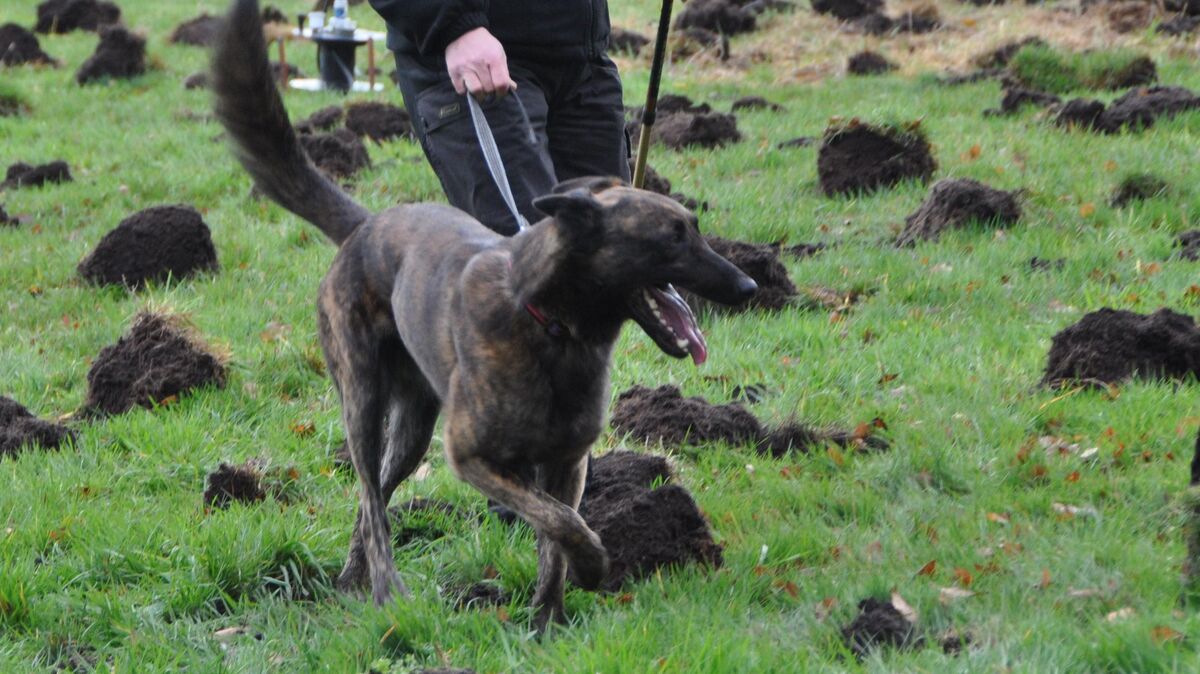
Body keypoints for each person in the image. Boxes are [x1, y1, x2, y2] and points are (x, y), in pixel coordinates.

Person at [367, 0, 631, 235]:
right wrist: (455, 26)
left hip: (583, 56)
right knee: (531, 260)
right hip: (478, 58)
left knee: (621, 254)